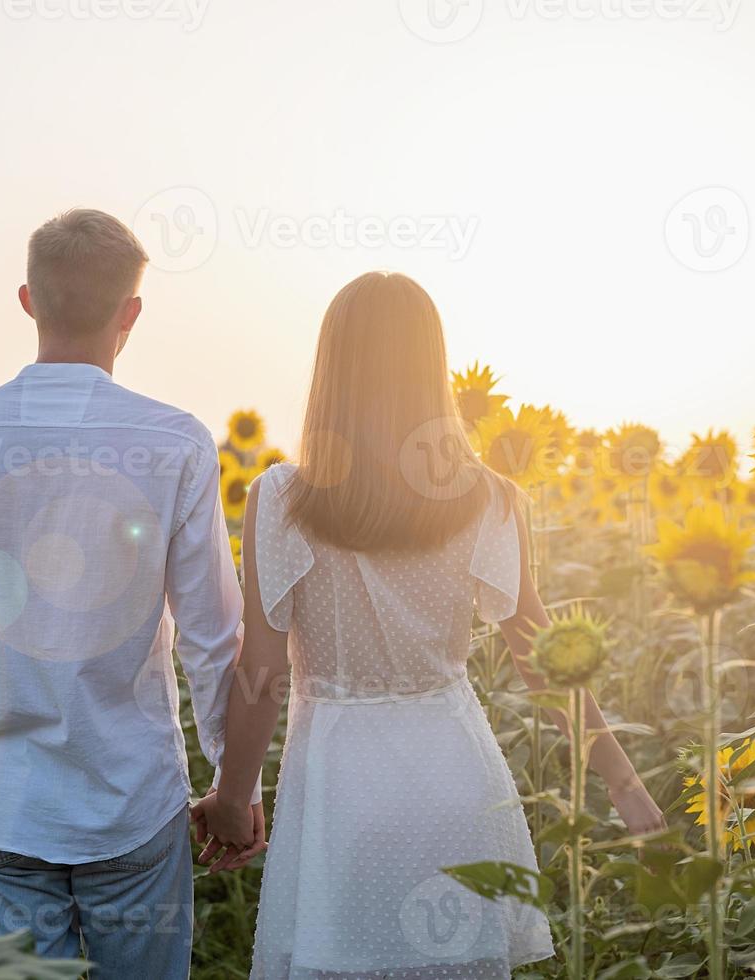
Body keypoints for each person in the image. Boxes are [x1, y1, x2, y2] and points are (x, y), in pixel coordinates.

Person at [192, 271, 666, 979]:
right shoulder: (485, 498)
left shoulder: (281, 496)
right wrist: (626, 787)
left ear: (331, 370)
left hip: (338, 793)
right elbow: (544, 661)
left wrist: (232, 800)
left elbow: (260, 675)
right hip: (457, 781)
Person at [0, 208, 261, 977]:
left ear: (27, 301)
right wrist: (228, 784)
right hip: (135, 805)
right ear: (131, 314)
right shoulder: (174, 440)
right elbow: (214, 636)